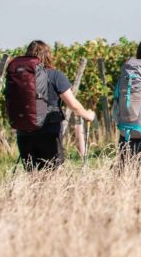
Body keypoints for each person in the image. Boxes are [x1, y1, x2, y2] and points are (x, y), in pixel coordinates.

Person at [9, 40, 95, 170]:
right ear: (48, 55)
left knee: (33, 176)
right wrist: (88, 115)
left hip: (24, 133)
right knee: (53, 175)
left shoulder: (19, 76)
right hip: (48, 131)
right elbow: (73, 105)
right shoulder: (55, 75)